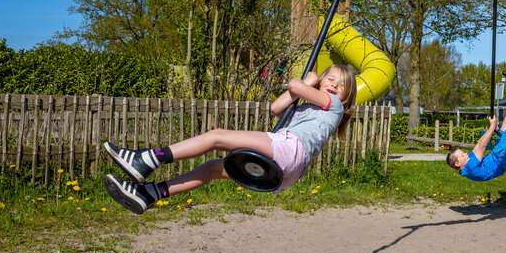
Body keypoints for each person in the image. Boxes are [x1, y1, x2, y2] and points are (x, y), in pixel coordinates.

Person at [102, 64, 357, 214]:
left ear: (345, 96)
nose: (334, 85)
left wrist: (306, 82)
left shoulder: (333, 105)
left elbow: (294, 86)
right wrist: (299, 89)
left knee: (216, 137)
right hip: (289, 171)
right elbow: (277, 108)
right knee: (213, 168)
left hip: (290, 149)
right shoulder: (309, 108)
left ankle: (147, 160)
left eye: (341, 85)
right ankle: (150, 193)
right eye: (330, 79)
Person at [446, 71, 506, 181]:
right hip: (502, 158)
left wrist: (494, 130)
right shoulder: (470, 167)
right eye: (462, 155)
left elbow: (479, 144)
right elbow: (483, 146)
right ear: (457, 164)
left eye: (462, 152)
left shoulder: (468, 163)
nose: (465, 153)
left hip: (497, 153)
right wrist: (492, 127)